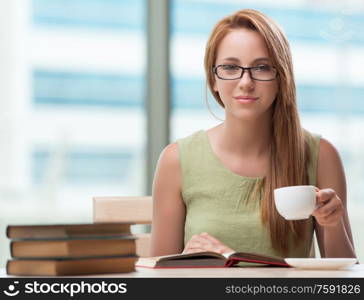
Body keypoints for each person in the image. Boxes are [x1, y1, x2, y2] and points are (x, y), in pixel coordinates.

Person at [150, 9, 357, 259]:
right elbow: (157, 278)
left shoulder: (321, 155)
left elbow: (344, 282)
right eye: (230, 67)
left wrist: (333, 223)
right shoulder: (176, 160)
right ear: (213, 79)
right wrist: (187, 261)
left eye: (261, 68)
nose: (246, 82)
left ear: (282, 78)